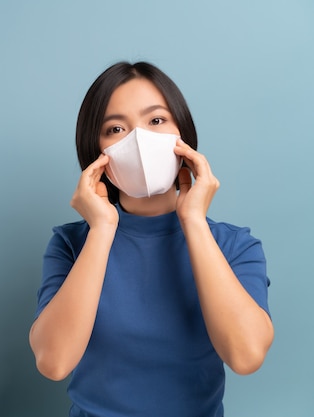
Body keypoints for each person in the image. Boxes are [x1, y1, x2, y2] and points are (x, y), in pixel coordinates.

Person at [29, 61, 273, 417]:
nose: (139, 140)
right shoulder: (69, 244)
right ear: (96, 151)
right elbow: (54, 362)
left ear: (182, 137)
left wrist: (193, 220)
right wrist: (101, 229)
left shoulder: (235, 245)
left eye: (156, 120)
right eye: (115, 128)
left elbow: (246, 355)